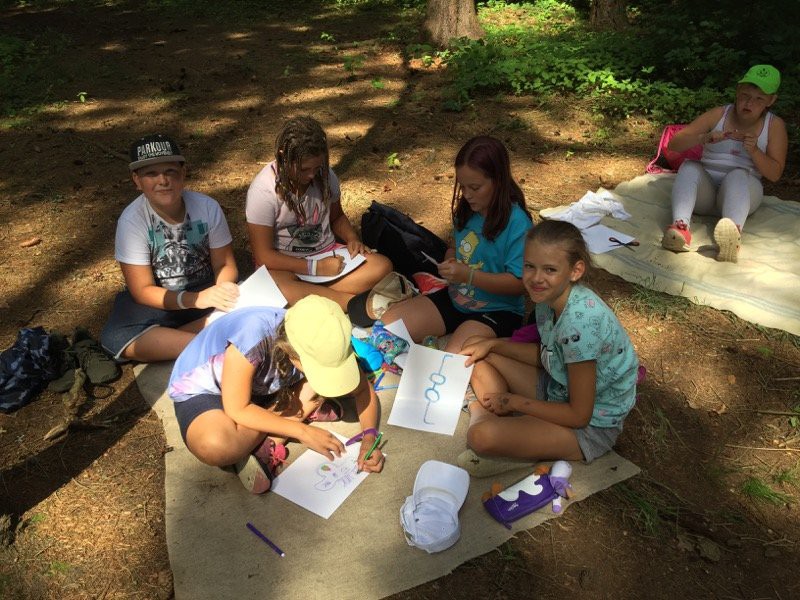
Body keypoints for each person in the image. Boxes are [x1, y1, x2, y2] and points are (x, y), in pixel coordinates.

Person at [457, 220, 638, 477]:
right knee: (475, 349)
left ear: (575, 271)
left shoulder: (580, 325)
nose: (536, 278)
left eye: (550, 269)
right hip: (557, 388)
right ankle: (505, 428)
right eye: (529, 266)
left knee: (480, 437)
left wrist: (514, 401)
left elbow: (579, 416)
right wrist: (493, 344)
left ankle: (490, 421)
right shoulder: (549, 298)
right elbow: (548, 357)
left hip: (590, 427)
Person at [168, 295, 385, 494]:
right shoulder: (252, 337)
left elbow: (362, 389)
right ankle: (285, 423)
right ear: (292, 354)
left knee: (322, 385)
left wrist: (369, 437)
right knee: (215, 446)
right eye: (318, 369)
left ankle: (269, 436)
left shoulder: (325, 337)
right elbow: (237, 408)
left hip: (261, 386)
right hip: (207, 389)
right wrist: (302, 432)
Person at [376, 135, 532, 352]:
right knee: (387, 328)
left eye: (475, 187)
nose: (467, 195)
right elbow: (455, 248)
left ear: (498, 181)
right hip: (457, 298)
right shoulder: (468, 211)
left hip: (498, 310)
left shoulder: (517, 223)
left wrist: (469, 276)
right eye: (462, 186)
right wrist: (450, 260)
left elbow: (519, 284)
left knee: (453, 359)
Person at [100, 134, 239, 362]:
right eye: (151, 174)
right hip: (162, 300)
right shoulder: (132, 221)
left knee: (255, 294)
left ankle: (184, 339)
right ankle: (214, 345)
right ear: (137, 180)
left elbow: (224, 264)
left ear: (183, 173)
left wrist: (223, 290)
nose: (163, 181)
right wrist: (195, 299)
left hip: (206, 288)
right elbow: (142, 290)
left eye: (170, 171)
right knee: (115, 336)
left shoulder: (207, 207)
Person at [245, 115, 392, 311]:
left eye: (317, 167)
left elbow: (337, 217)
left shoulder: (326, 176)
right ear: (283, 157)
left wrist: (351, 238)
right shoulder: (263, 190)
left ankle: (310, 295)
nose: (311, 175)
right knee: (275, 286)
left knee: (382, 266)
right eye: (304, 169)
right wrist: (316, 268)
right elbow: (263, 255)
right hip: (286, 266)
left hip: (328, 257)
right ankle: (351, 304)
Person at [661, 64, 788, 263]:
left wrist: (755, 151)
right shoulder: (719, 114)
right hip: (705, 194)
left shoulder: (774, 125)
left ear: (771, 101)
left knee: (737, 174)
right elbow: (674, 144)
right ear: (737, 91)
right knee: (689, 166)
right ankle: (680, 229)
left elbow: (774, 174)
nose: (749, 103)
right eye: (745, 95)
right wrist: (703, 138)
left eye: (759, 99)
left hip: (743, 193)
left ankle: (732, 236)